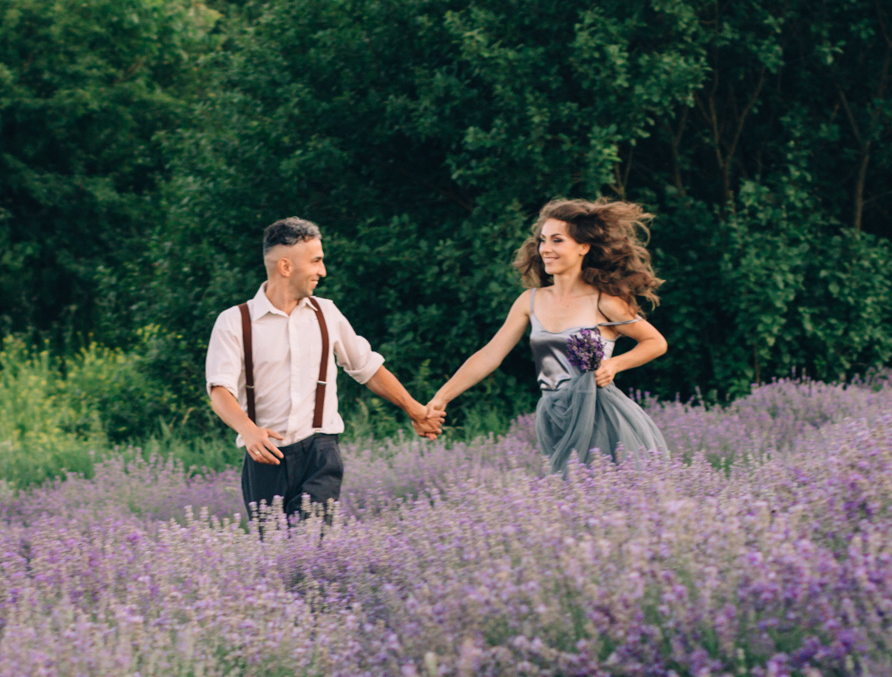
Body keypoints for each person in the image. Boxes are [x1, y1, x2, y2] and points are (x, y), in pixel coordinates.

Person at [206, 218, 443, 520]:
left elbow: (367, 367)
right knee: (274, 559)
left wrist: (415, 410)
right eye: (316, 261)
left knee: (310, 546)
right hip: (263, 458)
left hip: (320, 453)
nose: (323, 271)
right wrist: (248, 430)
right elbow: (219, 390)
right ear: (286, 267)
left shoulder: (327, 314)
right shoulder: (234, 322)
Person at [428, 198, 669, 472]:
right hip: (553, 413)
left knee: (602, 496)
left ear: (583, 247)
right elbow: (489, 355)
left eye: (557, 241)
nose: (546, 249)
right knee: (569, 498)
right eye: (542, 240)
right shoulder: (529, 301)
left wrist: (613, 364)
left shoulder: (604, 301)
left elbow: (655, 342)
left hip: (597, 411)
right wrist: (441, 398)